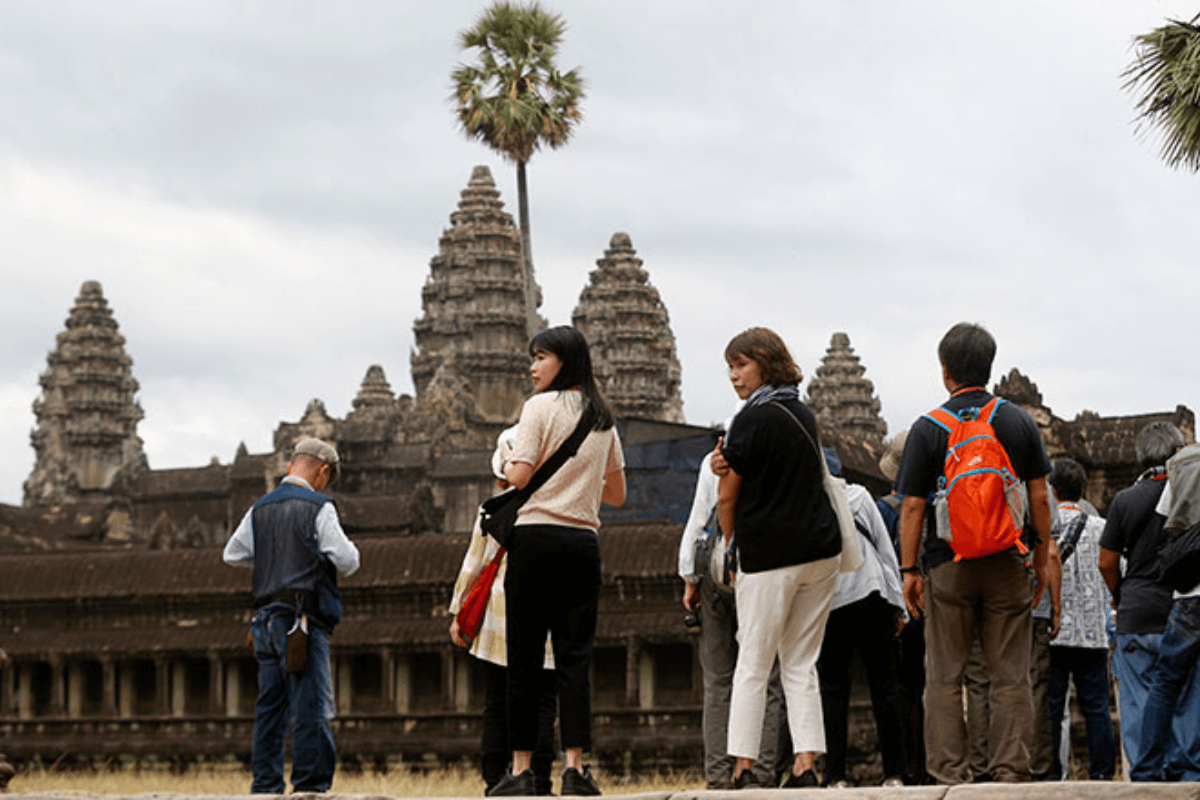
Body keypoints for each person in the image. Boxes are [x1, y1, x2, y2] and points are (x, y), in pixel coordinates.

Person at [896, 322, 1053, 784]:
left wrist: (909, 569)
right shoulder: (1017, 421)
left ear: (945, 371)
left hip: (949, 563)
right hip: (1008, 558)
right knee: (1011, 674)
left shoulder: (928, 428)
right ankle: (1009, 770)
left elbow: (911, 506)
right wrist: (1041, 555)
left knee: (944, 675)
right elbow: (1039, 496)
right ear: (989, 367)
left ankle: (949, 773)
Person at [488, 326, 626, 797]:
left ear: (564, 362)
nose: (532, 367)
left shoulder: (538, 408)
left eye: (541, 358)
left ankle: (522, 769)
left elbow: (520, 477)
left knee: (524, 658)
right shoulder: (602, 417)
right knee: (575, 659)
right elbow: (618, 493)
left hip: (535, 540)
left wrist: (505, 461)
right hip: (582, 544)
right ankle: (575, 769)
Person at [712, 327, 841, 788]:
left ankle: (744, 767)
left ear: (764, 363)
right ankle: (806, 763)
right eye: (730, 366)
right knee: (801, 661)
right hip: (821, 552)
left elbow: (728, 495)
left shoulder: (749, 419)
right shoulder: (802, 412)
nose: (734, 376)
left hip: (770, 554)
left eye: (741, 365)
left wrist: (730, 543)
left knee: (753, 662)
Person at [222, 437, 360, 794]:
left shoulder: (260, 508)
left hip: (265, 621)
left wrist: (274, 556)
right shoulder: (318, 506)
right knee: (310, 703)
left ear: (289, 466)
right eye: (327, 479)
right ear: (323, 471)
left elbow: (233, 554)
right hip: (301, 622)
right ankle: (309, 785)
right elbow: (347, 561)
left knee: (270, 706)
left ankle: (265, 785)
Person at [448, 426, 558, 795]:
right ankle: (538, 778)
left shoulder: (491, 509)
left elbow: (473, 564)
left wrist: (458, 614)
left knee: (498, 700)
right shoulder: (555, 506)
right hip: (546, 611)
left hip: (497, 616)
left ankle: (496, 777)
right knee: (543, 700)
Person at [678, 439, 788, 789]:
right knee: (767, 677)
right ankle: (762, 770)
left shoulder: (715, 462)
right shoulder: (776, 458)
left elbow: (699, 518)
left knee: (718, 680)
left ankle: (718, 775)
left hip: (713, 573)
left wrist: (689, 580)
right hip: (762, 567)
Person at [1099, 421, 1199, 779]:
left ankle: (1145, 776)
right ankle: (1187, 775)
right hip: (1180, 604)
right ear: (1176, 452)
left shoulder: (1125, 500)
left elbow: (1106, 562)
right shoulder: (1188, 487)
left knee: (1141, 699)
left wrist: (1119, 594)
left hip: (1137, 609)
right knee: (1187, 696)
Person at [816, 448, 908, 788]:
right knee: (885, 687)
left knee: (832, 691)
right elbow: (885, 550)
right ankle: (895, 774)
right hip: (872, 596)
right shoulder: (857, 495)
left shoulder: (804, 505)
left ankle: (835, 775)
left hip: (828, 605)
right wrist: (899, 604)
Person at [1129, 441, 1200, 781]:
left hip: (1188, 592)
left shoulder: (1183, 462)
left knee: (1167, 680)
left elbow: (1162, 524)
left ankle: (1146, 768)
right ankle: (1191, 766)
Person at [1046, 457, 1115, 780]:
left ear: (1052, 489)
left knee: (1053, 706)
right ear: (1083, 490)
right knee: (1097, 707)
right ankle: (1102, 773)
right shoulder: (1103, 529)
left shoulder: (1045, 528)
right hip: (1093, 632)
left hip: (1054, 631)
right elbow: (1118, 571)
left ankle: (1053, 773)